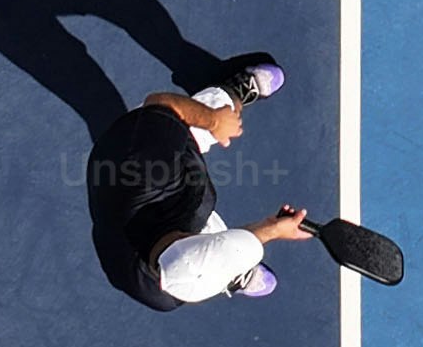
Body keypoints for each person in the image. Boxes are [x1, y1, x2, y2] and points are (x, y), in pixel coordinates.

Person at [85, 51, 313, 311]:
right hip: (158, 205)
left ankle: (233, 90)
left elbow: (160, 103)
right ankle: (229, 273)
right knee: (207, 231)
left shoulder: (143, 174)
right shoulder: (168, 293)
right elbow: (199, 262)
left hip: (133, 153)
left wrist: (215, 120)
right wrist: (272, 228)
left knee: (208, 119)